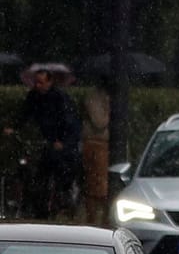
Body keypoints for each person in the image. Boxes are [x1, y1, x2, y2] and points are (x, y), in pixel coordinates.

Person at [3, 68, 82, 218]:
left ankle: (62, 196)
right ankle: (37, 203)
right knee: (36, 170)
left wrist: (63, 141)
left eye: (41, 82)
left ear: (49, 82)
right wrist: (13, 127)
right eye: (36, 82)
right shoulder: (34, 96)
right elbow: (24, 113)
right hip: (46, 139)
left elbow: (69, 122)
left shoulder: (59, 98)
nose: (38, 86)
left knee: (59, 166)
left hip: (60, 139)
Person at [81, 75, 112, 226]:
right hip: (97, 145)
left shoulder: (108, 96)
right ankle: (93, 222)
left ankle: (105, 220)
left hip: (108, 145)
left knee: (107, 187)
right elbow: (99, 122)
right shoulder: (94, 98)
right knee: (96, 188)